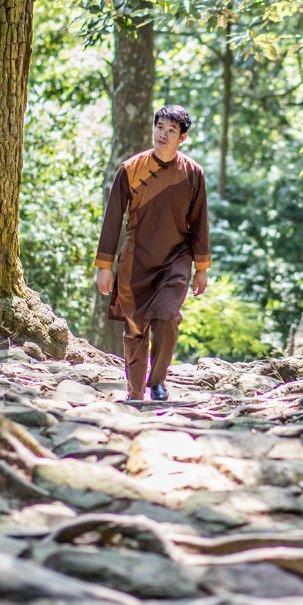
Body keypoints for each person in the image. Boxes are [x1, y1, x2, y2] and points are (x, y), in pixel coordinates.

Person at [94, 105, 211, 402]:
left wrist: (201, 267)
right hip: (137, 259)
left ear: (182, 138)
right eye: (160, 127)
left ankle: (157, 381)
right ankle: (134, 391)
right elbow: (112, 219)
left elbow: (199, 222)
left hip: (177, 258)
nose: (163, 134)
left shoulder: (193, 174)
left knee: (168, 317)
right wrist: (105, 266)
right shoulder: (130, 169)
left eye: (172, 130)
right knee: (135, 328)